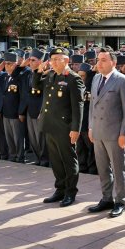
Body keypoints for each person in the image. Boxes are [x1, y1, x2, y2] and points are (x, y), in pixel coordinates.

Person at [34, 47, 85, 207]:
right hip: (50, 125)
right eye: (52, 59)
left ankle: (70, 192)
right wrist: (37, 71)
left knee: (68, 160)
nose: (54, 62)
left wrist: (75, 129)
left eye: (58, 59)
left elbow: (78, 106)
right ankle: (60, 189)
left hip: (65, 127)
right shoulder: (51, 75)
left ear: (66, 60)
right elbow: (36, 86)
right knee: (56, 161)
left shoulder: (73, 78)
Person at [88, 49, 125, 218]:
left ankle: (121, 201)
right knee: (102, 168)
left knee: (118, 168)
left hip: (115, 133)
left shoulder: (122, 81)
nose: (99, 63)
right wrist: (91, 127)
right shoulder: (96, 78)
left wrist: (124, 134)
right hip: (98, 131)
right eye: (98, 60)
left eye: (103, 60)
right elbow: (92, 106)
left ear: (113, 63)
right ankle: (106, 198)